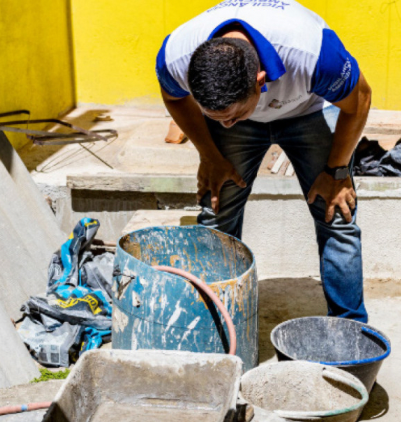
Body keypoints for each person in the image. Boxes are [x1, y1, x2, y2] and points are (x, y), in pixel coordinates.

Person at [156, 0, 372, 322]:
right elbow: (173, 97)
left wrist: (337, 170)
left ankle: (350, 329)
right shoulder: (176, 56)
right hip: (248, 101)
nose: (225, 127)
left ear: (260, 81)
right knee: (216, 211)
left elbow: (361, 100)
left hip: (307, 108)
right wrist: (210, 154)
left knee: (336, 212)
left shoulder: (314, 55)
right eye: (217, 118)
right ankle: (215, 324)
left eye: (231, 117)